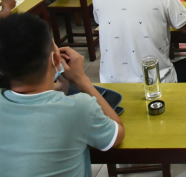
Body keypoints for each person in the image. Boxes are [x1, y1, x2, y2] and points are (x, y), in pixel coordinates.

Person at [0, 14, 126, 176]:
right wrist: (81, 79)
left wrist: (62, 87)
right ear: (55, 60)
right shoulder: (81, 108)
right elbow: (117, 134)